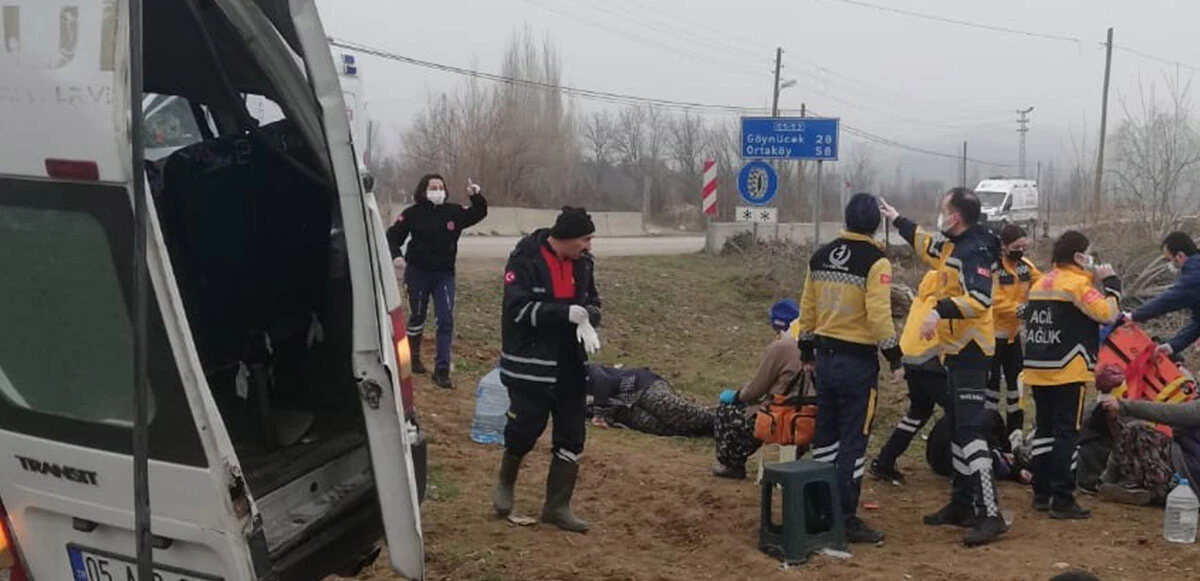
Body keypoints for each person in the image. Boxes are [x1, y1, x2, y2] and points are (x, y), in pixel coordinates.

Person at [881, 188, 1007, 547]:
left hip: (971, 351)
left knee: (969, 431)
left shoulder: (974, 251)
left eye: (943, 209)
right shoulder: (954, 245)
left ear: (955, 217)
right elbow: (927, 247)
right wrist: (898, 220)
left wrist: (939, 311)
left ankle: (990, 513)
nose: (939, 215)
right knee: (956, 426)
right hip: (953, 352)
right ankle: (961, 502)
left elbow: (980, 299)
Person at [798, 193, 901, 544]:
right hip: (857, 364)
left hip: (824, 360)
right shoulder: (876, 262)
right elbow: (879, 315)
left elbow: (807, 308)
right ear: (875, 224)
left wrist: (805, 349)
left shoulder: (820, 256)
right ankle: (845, 517)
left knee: (826, 438)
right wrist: (894, 356)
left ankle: (819, 510)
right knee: (854, 441)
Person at [491, 207, 601, 533]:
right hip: (531, 365)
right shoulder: (524, 259)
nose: (589, 246)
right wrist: (563, 314)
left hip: (570, 364)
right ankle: (506, 481)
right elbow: (517, 309)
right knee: (525, 428)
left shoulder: (584, 264)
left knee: (572, 435)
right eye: (585, 239)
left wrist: (589, 317)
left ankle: (557, 506)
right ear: (566, 237)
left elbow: (593, 301)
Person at [1022, 230, 1121, 520]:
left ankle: (1041, 493)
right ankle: (1063, 497)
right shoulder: (1077, 284)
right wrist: (1112, 286)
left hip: (1038, 368)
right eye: (1088, 253)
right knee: (1067, 432)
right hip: (1067, 368)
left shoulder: (1041, 282)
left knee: (1044, 430)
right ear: (1079, 256)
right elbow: (1107, 314)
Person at [387, 174, 488, 388]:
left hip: (444, 274)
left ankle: (442, 369)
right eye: (433, 187)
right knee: (417, 316)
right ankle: (413, 357)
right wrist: (396, 255)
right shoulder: (413, 213)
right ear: (424, 191)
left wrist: (476, 196)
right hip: (417, 273)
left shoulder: (453, 212)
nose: (437, 191)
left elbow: (479, 212)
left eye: (441, 187)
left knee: (445, 318)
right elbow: (393, 235)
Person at [871, 270, 949, 485]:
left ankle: (884, 461)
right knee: (958, 412)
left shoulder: (920, 300)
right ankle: (962, 471)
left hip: (911, 362)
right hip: (931, 364)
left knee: (918, 413)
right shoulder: (943, 303)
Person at [711, 299, 803, 480]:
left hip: (781, 417)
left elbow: (757, 388)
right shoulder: (814, 346)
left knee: (727, 411)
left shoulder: (782, 347)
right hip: (808, 418)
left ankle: (732, 464)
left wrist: (737, 396)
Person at [989, 224, 1041, 438]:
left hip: (1014, 338)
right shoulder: (994, 268)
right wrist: (1022, 310)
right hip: (992, 338)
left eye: (1023, 246)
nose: (1020, 250)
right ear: (1004, 246)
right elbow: (995, 299)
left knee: (1016, 387)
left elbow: (1043, 285)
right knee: (991, 390)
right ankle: (990, 432)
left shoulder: (1026, 267)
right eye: (1016, 247)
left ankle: (1015, 431)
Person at [1101, 395, 1200, 504]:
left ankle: (1114, 483)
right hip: (1188, 470)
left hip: (1189, 475)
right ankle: (1140, 488)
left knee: (1136, 431)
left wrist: (1124, 406)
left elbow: (1172, 413)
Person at [1124, 232, 1200, 356]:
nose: (1170, 264)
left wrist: (1134, 315)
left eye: (1169, 260)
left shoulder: (1194, 277)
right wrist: (1173, 345)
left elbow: (1169, 300)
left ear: (1180, 256)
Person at [586, 364, 715, 437]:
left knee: (670, 408)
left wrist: (598, 413)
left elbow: (602, 380)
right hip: (624, 411)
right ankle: (716, 431)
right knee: (666, 429)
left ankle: (719, 419)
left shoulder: (586, 368)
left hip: (639, 384)